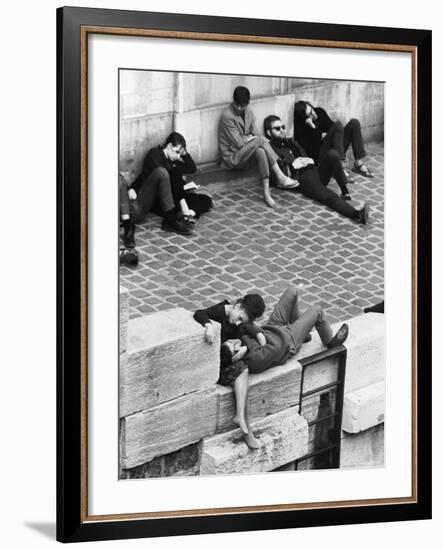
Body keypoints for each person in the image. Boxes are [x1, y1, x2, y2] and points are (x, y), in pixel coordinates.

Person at [263, 115, 369, 224]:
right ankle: (356, 214)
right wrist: (293, 166)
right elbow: (276, 177)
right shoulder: (270, 148)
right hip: (303, 178)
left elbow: (303, 153)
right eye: (277, 128)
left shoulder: (291, 141)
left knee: (333, 154)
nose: (281, 130)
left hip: (315, 170)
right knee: (328, 196)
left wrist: (309, 159)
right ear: (269, 133)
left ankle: (344, 190)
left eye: (283, 127)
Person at [222, 285, 349, 376]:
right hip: (289, 338)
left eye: (230, 342)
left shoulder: (238, 343)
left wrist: (258, 334)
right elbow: (278, 347)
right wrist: (249, 346)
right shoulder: (254, 359)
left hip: (271, 328)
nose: (234, 341)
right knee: (318, 310)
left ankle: (303, 332)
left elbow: (246, 325)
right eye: (234, 346)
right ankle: (330, 342)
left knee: (292, 291)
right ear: (236, 357)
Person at [194, 293, 266, 449]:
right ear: (237, 306)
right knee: (243, 378)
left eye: (242, 321)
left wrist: (243, 348)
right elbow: (199, 313)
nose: (238, 322)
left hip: (226, 362)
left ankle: (240, 417)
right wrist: (208, 326)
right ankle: (246, 431)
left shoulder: (236, 322)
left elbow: (241, 336)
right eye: (239, 317)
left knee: (243, 374)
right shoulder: (219, 312)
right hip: (215, 366)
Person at [218, 85, 299, 208]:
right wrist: (252, 139)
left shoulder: (249, 113)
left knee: (261, 150)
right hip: (233, 157)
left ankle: (267, 194)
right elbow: (238, 143)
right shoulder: (227, 116)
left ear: (247, 103)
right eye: (237, 105)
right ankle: (280, 176)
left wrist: (251, 138)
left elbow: (255, 133)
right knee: (261, 141)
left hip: (246, 153)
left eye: (242, 105)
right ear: (233, 101)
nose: (239, 108)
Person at [128, 132, 195, 236]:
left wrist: (184, 153)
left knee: (203, 200)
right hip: (151, 195)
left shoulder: (171, 159)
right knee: (166, 172)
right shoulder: (154, 154)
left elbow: (192, 168)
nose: (178, 156)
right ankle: (173, 219)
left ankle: (181, 212)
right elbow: (162, 177)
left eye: (179, 154)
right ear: (169, 146)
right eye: (176, 152)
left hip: (167, 195)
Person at [293, 100, 374, 184]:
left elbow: (334, 129)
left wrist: (326, 136)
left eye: (312, 109)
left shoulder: (320, 112)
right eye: (309, 115)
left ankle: (358, 162)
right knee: (338, 125)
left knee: (354, 123)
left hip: (334, 147)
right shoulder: (301, 128)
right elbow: (313, 151)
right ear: (305, 119)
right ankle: (340, 167)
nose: (313, 114)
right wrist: (313, 128)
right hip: (322, 156)